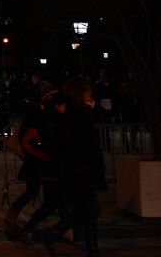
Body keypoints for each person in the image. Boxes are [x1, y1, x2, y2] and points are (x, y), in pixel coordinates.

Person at [47, 77, 107, 256]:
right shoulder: (76, 114)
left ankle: (88, 246)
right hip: (80, 170)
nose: (91, 94)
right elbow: (76, 142)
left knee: (85, 211)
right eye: (87, 92)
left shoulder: (77, 112)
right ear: (80, 94)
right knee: (90, 210)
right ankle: (61, 230)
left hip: (78, 169)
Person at [19, 88, 70, 246]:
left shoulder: (49, 117)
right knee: (52, 203)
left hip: (50, 166)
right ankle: (37, 230)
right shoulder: (51, 119)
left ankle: (63, 232)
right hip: (51, 166)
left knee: (59, 205)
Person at [4, 83, 50, 229]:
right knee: (34, 191)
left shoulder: (43, 112)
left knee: (44, 194)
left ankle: (18, 217)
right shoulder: (37, 113)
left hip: (41, 158)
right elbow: (26, 135)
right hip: (37, 158)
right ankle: (22, 221)